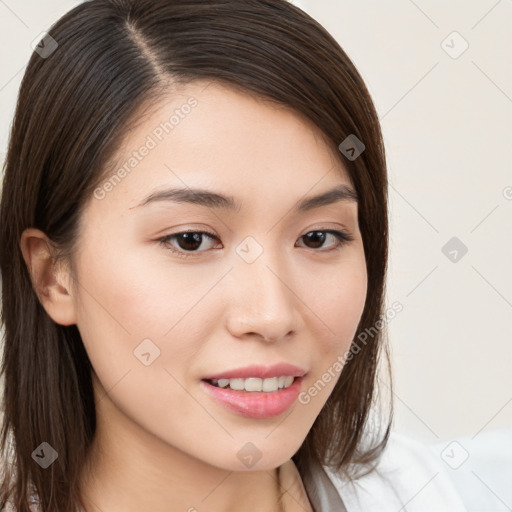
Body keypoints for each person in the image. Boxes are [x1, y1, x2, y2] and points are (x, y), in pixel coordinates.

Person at [0, 1, 467, 511]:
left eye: (317, 238)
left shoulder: (431, 493)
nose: (271, 315)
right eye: (191, 240)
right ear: (53, 276)